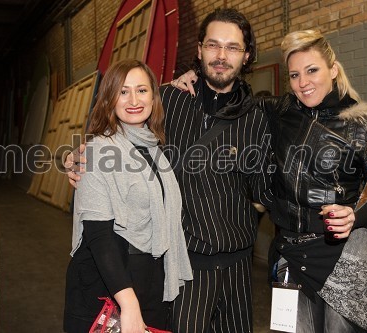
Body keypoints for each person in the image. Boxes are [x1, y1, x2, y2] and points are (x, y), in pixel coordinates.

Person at [175, 30, 367, 333]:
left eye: (312, 70)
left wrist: (356, 215)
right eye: (294, 75)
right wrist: (196, 74)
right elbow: (231, 97)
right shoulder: (278, 111)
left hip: (346, 253)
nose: (303, 82)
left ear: (332, 69)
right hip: (290, 254)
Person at [66, 8, 274, 333]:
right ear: (199, 49)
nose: (221, 56)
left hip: (238, 264)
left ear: (247, 56)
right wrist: (79, 157)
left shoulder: (260, 116)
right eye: (213, 45)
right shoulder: (170, 100)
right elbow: (118, 125)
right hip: (185, 265)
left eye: (232, 47)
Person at [63, 59, 192, 333]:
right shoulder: (97, 152)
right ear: (110, 98)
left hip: (150, 280)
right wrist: (129, 304)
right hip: (109, 287)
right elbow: (100, 236)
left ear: (154, 98)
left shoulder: (154, 149)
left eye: (142, 90)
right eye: (123, 91)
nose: (134, 99)